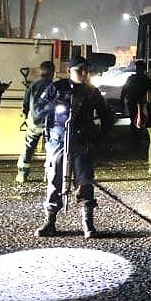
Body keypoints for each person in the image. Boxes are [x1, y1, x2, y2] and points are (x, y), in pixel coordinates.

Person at [33, 56, 115, 239]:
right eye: (79, 70)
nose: (84, 73)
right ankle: (50, 221)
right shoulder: (56, 87)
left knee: (85, 181)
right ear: (69, 71)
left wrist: (99, 137)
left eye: (86, 70)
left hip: (81, 142)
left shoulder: (91, 92)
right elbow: (36, 113)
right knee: (54, 180)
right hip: (58, 141)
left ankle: (88, 222)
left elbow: (107, 116)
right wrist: (55, 104)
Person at [16, 61, 55, 184]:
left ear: (40, 71)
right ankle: (48, 175)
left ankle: (22, 174)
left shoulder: (33, 86)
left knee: (28, 148)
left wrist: (26, 116)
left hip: (34, 123)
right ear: (53, 72)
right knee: (51, 149)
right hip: (50, 124)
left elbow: (25, 104)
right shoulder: (54, 87)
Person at [120, 60, 151, 134]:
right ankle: (137, 132)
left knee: (134, 117)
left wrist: (122, 99)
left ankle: (135, 132)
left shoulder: (132, 78)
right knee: (139, 118)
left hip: (134, 101)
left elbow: (125, 89)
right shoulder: (146, 79)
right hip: (140, 102)